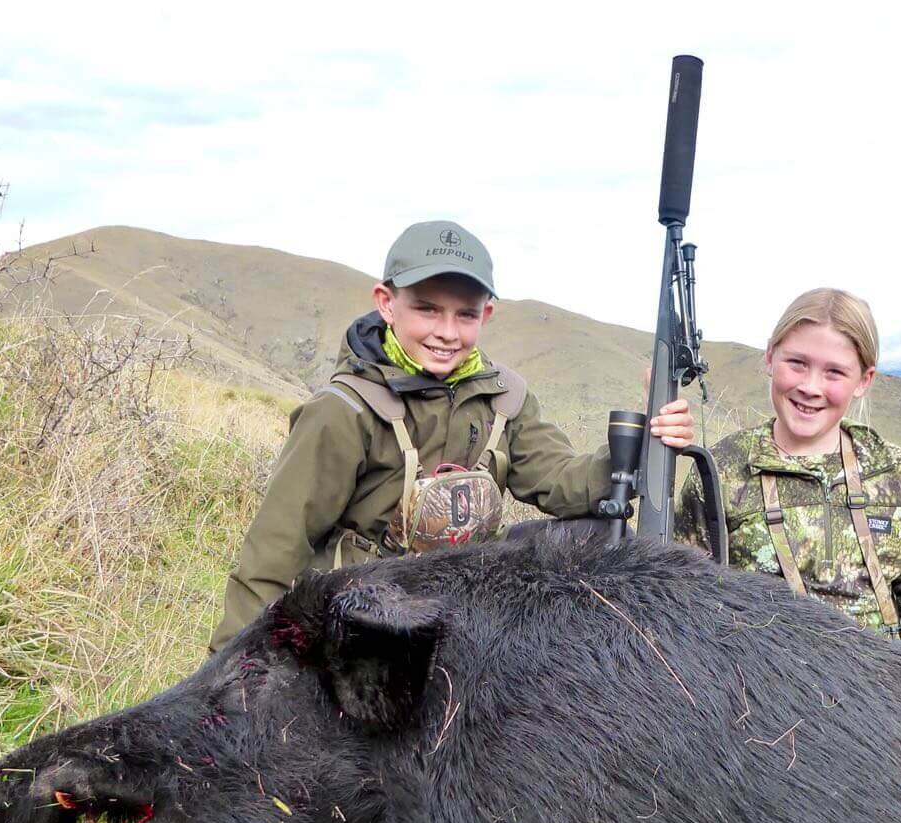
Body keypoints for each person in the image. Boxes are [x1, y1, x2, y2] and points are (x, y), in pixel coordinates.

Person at [210, 221, 695, 651]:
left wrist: (643, 439)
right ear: (386, 304)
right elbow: (273, 553)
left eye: (465, 315)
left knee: (593, 538)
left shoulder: (505, 399)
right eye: (426, 309)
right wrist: (232, 680)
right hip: (363, 617)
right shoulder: (341, 413)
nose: (446, 331)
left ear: (485, 316)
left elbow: (565, 482)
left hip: (466, 604)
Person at [676, 287, 901, 658]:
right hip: (762, 694)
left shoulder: (898, 474)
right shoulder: (719, 472)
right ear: (770, 357)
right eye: (797, 363)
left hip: (883, 698)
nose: (810, 387)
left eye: (834, 372)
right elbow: (687, 605)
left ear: (863, 381)